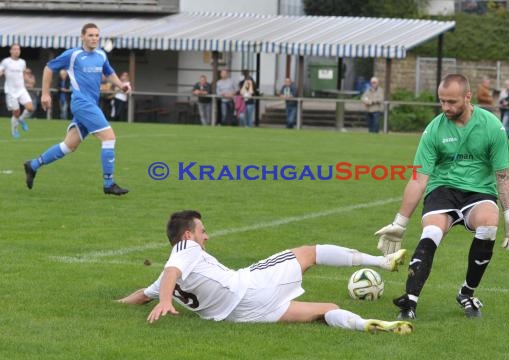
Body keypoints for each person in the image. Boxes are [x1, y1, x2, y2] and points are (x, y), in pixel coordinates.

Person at [374, 74, 509, 320]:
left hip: (479, 191)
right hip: (442, 190)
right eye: (442, 101)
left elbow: (503, 176)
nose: (446, 107)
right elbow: (418, 178)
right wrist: (400, 223)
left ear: (468, 97)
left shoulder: (492, 127)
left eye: (452, 102)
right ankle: (410, 302)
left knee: (488, 223)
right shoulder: (433, 129)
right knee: (432, 231)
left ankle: (466, 293)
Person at [118, 210, 413, 335]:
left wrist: (118, 305)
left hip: (241, 315)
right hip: (249, 286)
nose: (206, 237)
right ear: (187, 235)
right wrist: (167, 301)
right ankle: (381, 262)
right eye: (202, 231)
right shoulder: (186, 249)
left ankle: (365, 325)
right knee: (308, 253)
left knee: (327, 310)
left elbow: (144, 294)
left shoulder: (169, 273)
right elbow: (171, 272)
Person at [23, 23, 131, 195]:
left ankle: (33, 165)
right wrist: (45, 94)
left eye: (97, 35)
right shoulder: (73, 55)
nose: (94, 38)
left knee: (69, 146)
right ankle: (109, 183)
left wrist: (121, 85)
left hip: (91, 105)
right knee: (109, 137)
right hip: (81, 103)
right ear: (82, 37)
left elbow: (109, 72)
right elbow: (49, 68)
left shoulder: (101, 55)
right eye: (90, 35)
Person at [0, 43, 34, 138]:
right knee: (16, 112)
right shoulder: (6, 62)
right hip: (11, 91)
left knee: (30, 108)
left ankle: (22, 119)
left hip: (21, 90)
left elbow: (23, 74)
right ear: (11, 51)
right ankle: (14, 130)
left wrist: (29, 81)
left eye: (18, 49)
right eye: (14, 49)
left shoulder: (22, 62)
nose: (16, 51)